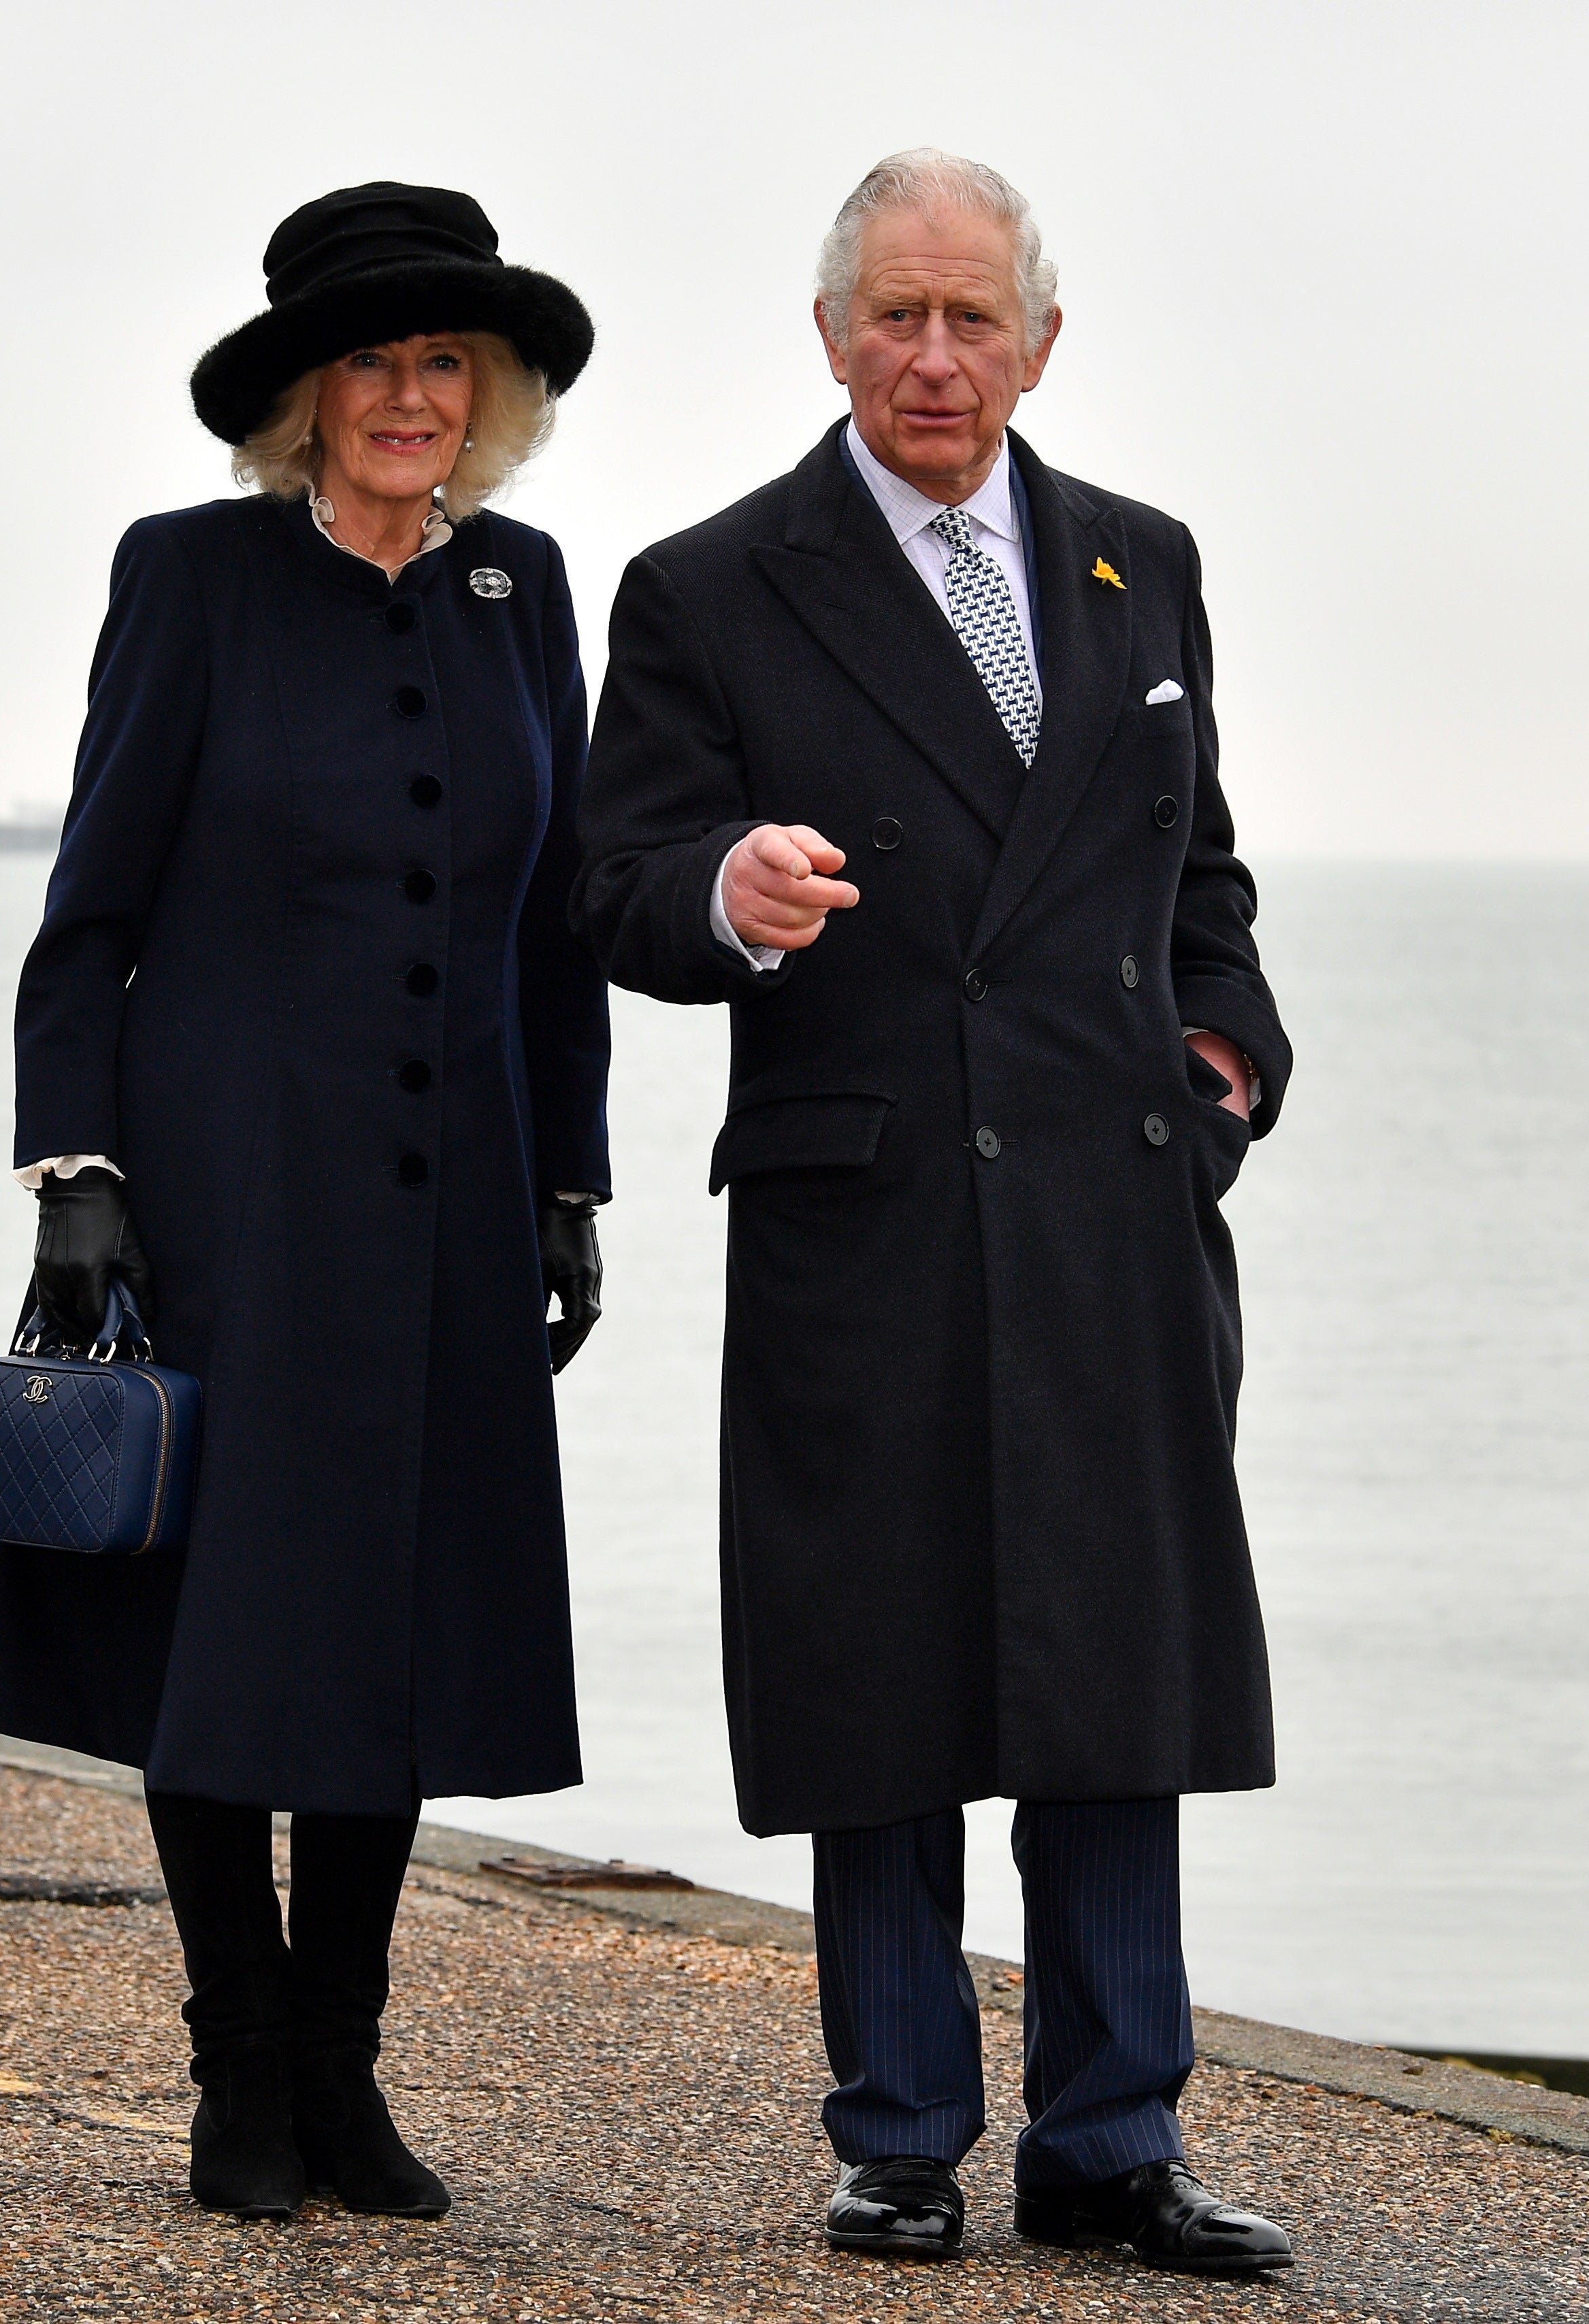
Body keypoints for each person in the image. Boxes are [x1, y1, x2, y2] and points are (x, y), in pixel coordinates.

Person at [574, 151, 1297, 2278]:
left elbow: (1201, 890)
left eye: (972, 317)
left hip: (1108, 1209)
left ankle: (1113, 2136)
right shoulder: (712, 587)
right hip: (865, 1213)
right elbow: (618, 886)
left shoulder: (1136, 567)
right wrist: (729, 896)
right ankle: (897, 2130)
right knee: (872, 1672)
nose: (932, 354)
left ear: (1039, 342)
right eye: (893, 314)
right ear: (827, 337)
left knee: (1110, 1682)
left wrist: (1227, 1062)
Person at [0, 182, 611, 2225]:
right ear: (301, 398)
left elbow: (555, 926)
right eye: (373, 363)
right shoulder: (193, 577)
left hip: (455, 1199)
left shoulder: (523, 589)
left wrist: (565, 1176)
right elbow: (88, 917)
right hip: (229, 1191)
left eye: (442, 364)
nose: (410, 397)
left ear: (482, 399)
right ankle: (238, 2077)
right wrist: (79, 1177)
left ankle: (343, 2073)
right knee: (224, 1639)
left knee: (386, 1643)